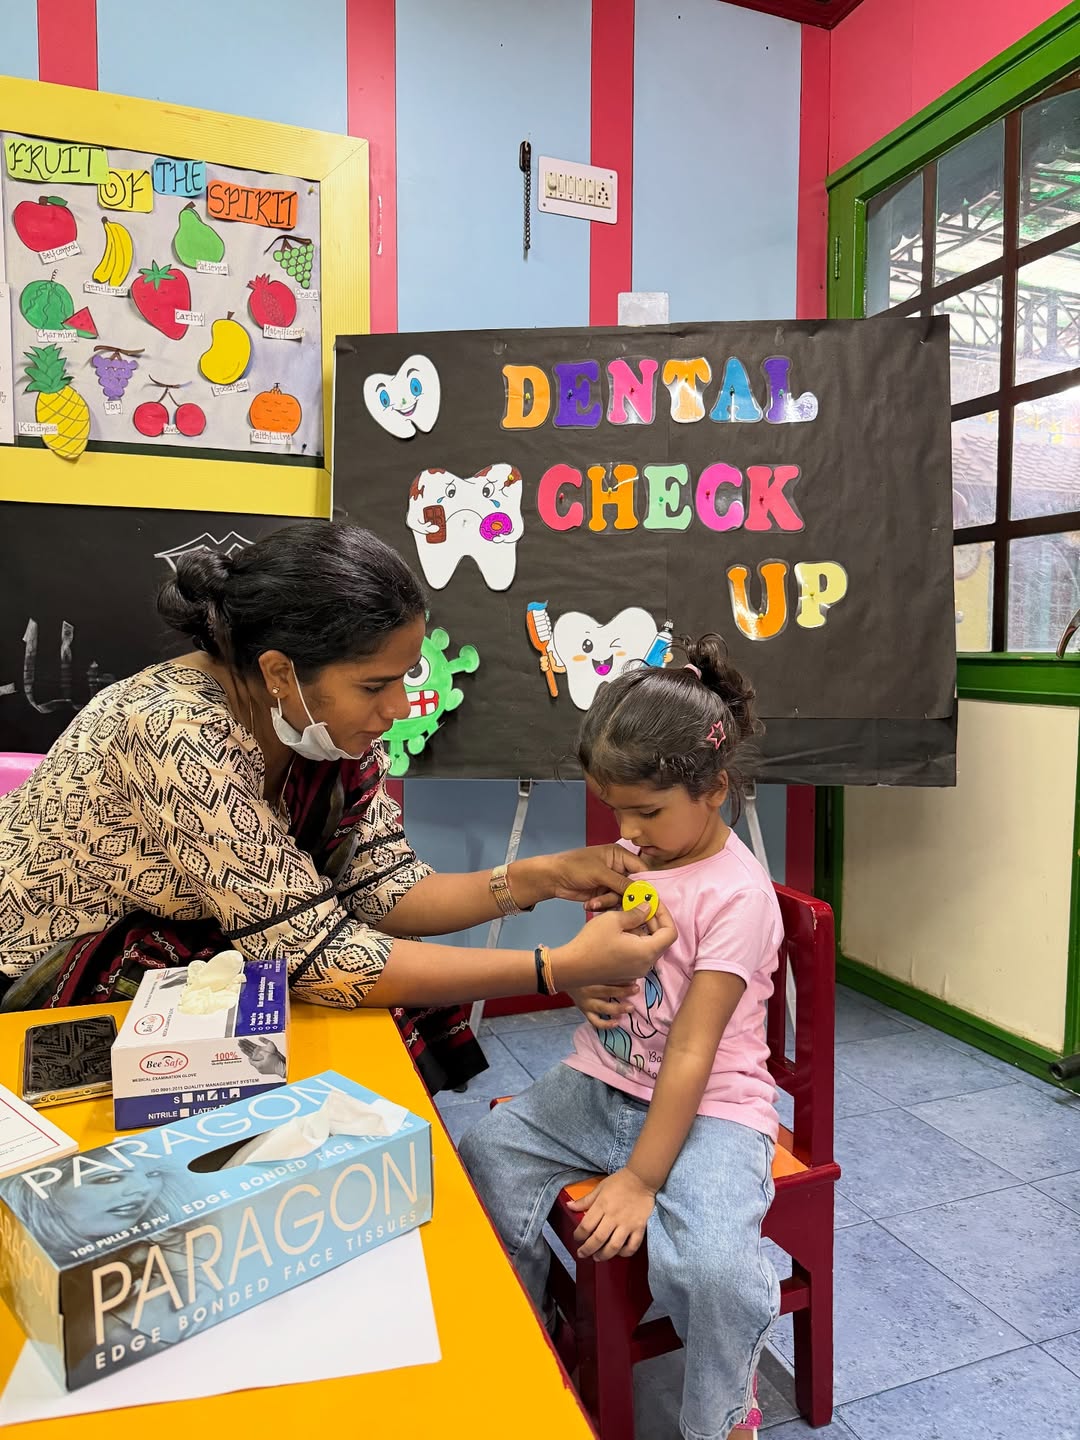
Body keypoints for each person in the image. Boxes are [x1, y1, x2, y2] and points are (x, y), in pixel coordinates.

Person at [0, 522, 675, 1094]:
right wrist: (553, 968)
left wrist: (543, 876)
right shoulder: (173, 731)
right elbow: (318, 957)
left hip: (200, 961)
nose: (399, 708)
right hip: (52, 994)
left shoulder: (321, 733)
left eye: (405, 678)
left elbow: (385, 890)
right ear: (279, 672)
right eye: (376, 686)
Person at [460, 636, 782, 1440]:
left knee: (715, 1269)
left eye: (647, 812)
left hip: (711, 1107)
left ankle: (722, 1416)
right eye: (616, 809)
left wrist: (640, 1179)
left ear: (714, 789)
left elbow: (693, 1051)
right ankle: (530, 1336)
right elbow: (605, 968)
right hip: (605, 1081)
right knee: (487, 1152)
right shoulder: (636, 859)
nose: (628, 830)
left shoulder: (738, 897)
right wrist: (583, 977)